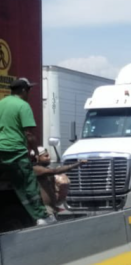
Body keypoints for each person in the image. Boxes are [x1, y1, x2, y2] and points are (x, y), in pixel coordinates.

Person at [0, 78, 55, 225]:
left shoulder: (1, 103)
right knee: (28, 184)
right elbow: (29, 134)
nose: (29, 93)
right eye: (29, 90)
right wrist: (36, 152)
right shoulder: (23, 106)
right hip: (15, 151)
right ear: (23, 90)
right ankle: (41, 217)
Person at [33, 147, 86, 217]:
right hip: (45, 209)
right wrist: (77, 164)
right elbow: (55, 171)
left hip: (52, 207)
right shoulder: (36, 169)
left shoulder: (46, 169)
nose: (49, 157)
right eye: (46, 156)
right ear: (37, 158)